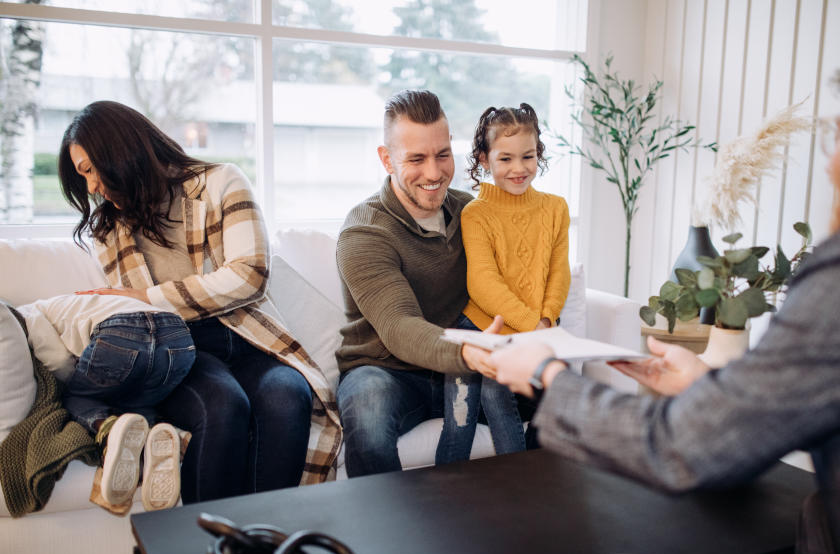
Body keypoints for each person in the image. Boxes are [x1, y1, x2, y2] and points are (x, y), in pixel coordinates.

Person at [488, 18, 840, 554]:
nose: (834, 158)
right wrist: (712, 382)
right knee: (819, 511)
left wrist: (546, 374)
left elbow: (682, 450)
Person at [57, 101, 341, 503]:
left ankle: (263, 544)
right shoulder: (110, 229)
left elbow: (249, 276)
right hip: (178, 350)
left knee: (288, 395)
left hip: (246, 336)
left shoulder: (221, 182)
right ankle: (202, 550)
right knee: (223, 405)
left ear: (118, 151)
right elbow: (140, 316)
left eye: (89, 170)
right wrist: (141, 304)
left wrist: (147, 297)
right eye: (81, 176)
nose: (90, 187)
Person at [336, 89, 502, 477]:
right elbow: (400, 327)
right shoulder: (364, 231)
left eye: (442, 154)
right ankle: (384, 536)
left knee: (556, 395)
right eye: (416, 159)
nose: (433, 172)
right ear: (386, 158)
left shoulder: (471, 213)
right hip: (387, 369)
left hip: (464, 368)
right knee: (368, 412)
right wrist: (468, 353)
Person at [436, 103, 570, 465]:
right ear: (484, 158)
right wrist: (532, 328)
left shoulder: (555, 208)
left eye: (527, 156)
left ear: (538, 154)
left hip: (537, 328)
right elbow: (482, 283)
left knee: (557, 395)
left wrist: (546, 322)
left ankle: (530, 485)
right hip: (481, 327)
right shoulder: (476, 213)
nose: (518, 168)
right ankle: (445, 491)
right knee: (465, 417)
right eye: (506, 158)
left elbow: (559, 271)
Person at [16, 293, 192, 510]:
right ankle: (163, 435)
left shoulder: (25, 313)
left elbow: (58, 360)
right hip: (179, 337)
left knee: (74, 397)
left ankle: (110, 429)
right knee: (134, 404)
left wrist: (67, 384)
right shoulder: (65, 303)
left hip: (122, 331)